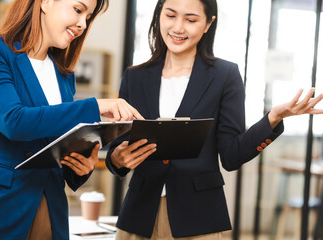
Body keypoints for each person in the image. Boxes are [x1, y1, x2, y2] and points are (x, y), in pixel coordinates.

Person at [105, 0, 323, 239]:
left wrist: (273, 118)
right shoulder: (134, 77)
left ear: (208, 24)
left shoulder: (225, 76)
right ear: (159, 16)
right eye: (170, 15)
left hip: (199, 216)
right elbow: (120, 145)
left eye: (190, 19)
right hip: (139, 216)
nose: (178, 27)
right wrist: (118, 158)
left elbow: (231, 155)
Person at [0, 0, 143, 239]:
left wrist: (81, 167)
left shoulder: (63, 75)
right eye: (78, 10)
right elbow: (13, 121)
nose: (82, 24)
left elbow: (54, 144)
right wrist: (96, 106)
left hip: (49, 212)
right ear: (46, 2)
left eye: (88, 17)